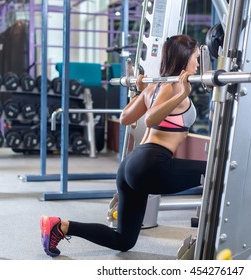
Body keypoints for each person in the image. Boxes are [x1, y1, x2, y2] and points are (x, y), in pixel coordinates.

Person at [40, 34, 207, 256]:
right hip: (152, 164)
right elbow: (150, 119)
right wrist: (184, 93)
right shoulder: (174, 87)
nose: (198, 63)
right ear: (185, 58)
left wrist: (138, 92)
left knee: (123, 240)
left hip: (132, 165)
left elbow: (126, 118)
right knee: (215, 172)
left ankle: (60, 226)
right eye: (196, 58)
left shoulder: (153, 86)